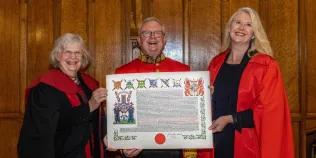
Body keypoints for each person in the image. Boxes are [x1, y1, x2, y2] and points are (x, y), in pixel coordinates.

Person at [198, 7, 294, 158]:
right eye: (237, 22)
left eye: (248, 25)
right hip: (216, 141)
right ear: (230, 27)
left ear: (254, 33)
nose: (241, 28)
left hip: (247, 144)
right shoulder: (216, 63)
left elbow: (268, 112)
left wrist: (230, 119)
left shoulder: (266, 65)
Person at [18, 33, 107, 158]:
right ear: (58, 55)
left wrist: (108, 138)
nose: (73, 57)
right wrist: (88, 107)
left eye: (78, 53)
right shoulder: (45, 88)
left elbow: (96, 123)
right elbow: (45, 130)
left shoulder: (90, 84)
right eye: (67, 52)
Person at [115, 17, 190, 158]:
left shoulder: (183, 70)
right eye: (146, 33)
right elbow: (119, 117)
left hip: (174, 147)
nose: (152, 37)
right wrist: (123, 146)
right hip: (138, 150)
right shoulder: (122, 73)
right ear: (138, 39)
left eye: (157, 33)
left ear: (164, 38)